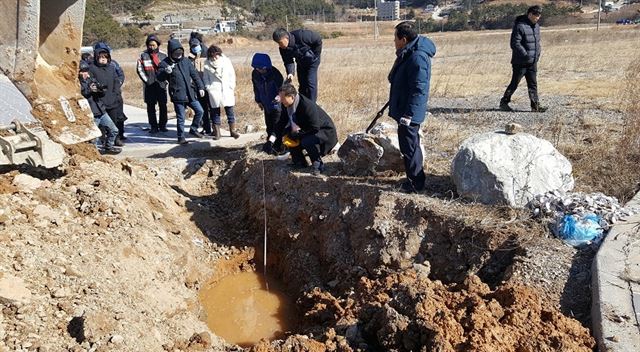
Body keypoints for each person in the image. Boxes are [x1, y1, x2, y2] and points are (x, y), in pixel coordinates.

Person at [388, 21, 436, 194]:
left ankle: (415, 183)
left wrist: (409, 114)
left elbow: (419, 89)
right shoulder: (409, 53)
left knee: (410, 147)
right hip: (405, 108)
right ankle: (414, 178)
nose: (394, 41)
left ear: (404, 39)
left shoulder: (417, 57)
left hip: (409, 112)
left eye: (395, 38)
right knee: (409, 145)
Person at [275, 83, 337, 176]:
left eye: (283, 98)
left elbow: (315, 127)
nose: (281, 101)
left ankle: (318, 165)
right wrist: (276, 138)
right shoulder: (286, 105)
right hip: (308, 128)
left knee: (306, 141)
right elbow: (281, 122)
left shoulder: (307, 105)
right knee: (288, 136)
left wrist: (298, 134)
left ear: (291, 97)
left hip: (324, 131)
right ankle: (299, 162)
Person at [157, 39, 206, 144]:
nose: (178, 55)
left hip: (190, 92)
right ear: (171, 53)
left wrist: (201, 87)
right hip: (178, 94)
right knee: (181, 117)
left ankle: (193, 129)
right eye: (176, 53)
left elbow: (195, 76)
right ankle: (181, 137)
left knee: (200, 111)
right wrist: (166, 72)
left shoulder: (186, 62)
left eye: (180, 53)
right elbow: (159, 78)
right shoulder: (165, 63)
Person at [500, 5, 546, 113]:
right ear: (530, 14)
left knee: (533, 84)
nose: (538, 18)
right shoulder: (520, 26)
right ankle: (504, 102)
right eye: (536, 15)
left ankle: (535, 106)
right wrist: (525, 55)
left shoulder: (536, 26)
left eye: (539, 16)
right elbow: (515, 43)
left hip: (533, 61)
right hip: (520, 62)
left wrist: (537, 54)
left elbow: (537, 42)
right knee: (514, 83)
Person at [87, 42, 127, 148]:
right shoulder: (92, 68)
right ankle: (103, 141)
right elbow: (91, 83)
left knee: (114, 123)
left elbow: (116, 81)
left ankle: (114, 141)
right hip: (99, 102)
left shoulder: (111, 67)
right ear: (96, 57)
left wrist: (116, 94)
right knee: (102, 125)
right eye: (101, 57)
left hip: (113, 101)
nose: (103, 59)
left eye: (105, 57)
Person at [79, 60, 121, 155]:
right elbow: (83, 94)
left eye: (86, 71)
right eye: (82, 71)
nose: (85, 74)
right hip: (92, 113)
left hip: (101, 110)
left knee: (114, 130)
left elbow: (101, 93)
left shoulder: (91, 80)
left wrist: (99, 89)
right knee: (94, 137)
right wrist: (90, 89)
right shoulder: (78, 84)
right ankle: (91, 153)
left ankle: (108, 146)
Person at [272, 28, 322, 102]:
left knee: (310, 83)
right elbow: (288, 61)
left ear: (286, 38)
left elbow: (318, 39)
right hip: (301, 62)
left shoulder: (302, 35)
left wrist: (315, 54)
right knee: (302, 84)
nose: (280, 45)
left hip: (313, 62)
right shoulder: (283, 49)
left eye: (280, 42)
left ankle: (312, 105)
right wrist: (290, 73)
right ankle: (303, 102)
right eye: (278, 43)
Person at [251, 53, 284, 154]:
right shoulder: (255, 74)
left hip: (276, 105)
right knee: (269, 125)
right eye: (257, 68)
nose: (259, 70)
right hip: (266, 104)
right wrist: (258, 101)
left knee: (277, 126)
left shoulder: (275, 74)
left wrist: (279, 96)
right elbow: (256, 88)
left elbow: (282, 88)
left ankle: (277, 146)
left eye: (261, 68)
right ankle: (270, 144)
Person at [203, 45, 239, 140]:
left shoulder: (226, 61)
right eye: (212, 56)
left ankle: (233, 131)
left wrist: (232, 86)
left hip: (227, 89)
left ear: (219, 54)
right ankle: (217, 133)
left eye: (216, 55)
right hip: (214, 90)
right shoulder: (207, 64)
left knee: (230, 110)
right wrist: (209, 88)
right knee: (215, 112)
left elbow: (232, 74)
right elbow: (205, 78)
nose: (215, 58)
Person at [136, 34, 168, 134]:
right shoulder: (143, 55)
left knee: (163, 105)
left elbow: (168, 69)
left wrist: (165, 80)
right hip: (149, 85)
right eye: (150, 45)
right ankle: (153, 126)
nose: (152, 47)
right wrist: (147, 80)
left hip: (161, 84)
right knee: (151, 107)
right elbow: (139, 69)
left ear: (158, 45)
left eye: (154, 45)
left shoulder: (163, 56)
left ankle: (162, 125)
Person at [188, 36, 211, 136]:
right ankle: (206, 128)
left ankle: (213, 128)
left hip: (208, 85)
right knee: (203, 109)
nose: (194, 48)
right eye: (192, 46)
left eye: (196, 46)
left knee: (211, 109)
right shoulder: (191, 55)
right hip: (198, 86)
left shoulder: (207, 53)